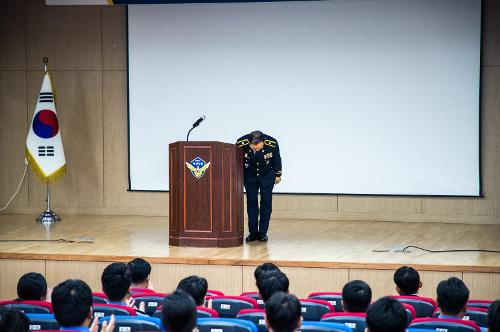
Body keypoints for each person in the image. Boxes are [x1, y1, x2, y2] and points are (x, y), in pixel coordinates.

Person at [237, 130, 282, 242]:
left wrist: (278, 174)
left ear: (263, 142)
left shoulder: (272, 143)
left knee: (266, 203)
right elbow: (237, 161)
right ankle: (253, 233)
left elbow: (277, 158)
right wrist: (238, 176)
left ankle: (262, 233)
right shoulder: (240, 143)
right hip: (250, 176)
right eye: (253, 148)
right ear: (249, 142)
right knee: (251, 203)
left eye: (258, 148)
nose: (255, 150)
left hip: (267, 175)